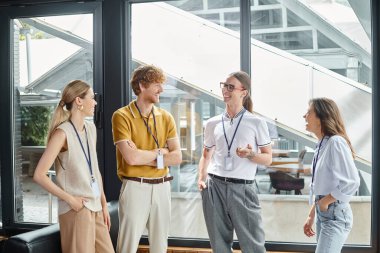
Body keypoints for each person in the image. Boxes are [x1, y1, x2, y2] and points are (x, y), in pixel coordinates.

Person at [33, 80, 114, 253]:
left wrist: (104, 204)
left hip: (96, 206)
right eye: (92, 98)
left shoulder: (90, 129)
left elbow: (95, 171)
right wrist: (71, 200)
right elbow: (39, 175)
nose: (95, 102)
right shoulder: (62, 133)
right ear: (79, 101)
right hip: (76, 209)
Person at [198, 71, 272, 253]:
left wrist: (250, 154)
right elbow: (206, 154)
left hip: (243, 189)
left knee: (253, 246)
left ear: (243, 92)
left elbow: (268, 158)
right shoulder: (212, 123)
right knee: (219, 245)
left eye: (231, 87)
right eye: (224, 85)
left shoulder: (256, 122)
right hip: (214, 186)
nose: (225, 89)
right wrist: (201, 178)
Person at [112, 65, 182, 253]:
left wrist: (149, 157)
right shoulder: (121, 116)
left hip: (163, 187)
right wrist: (162, 151)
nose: (162, 89)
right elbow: (132, 158)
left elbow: (176, 157)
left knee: (160, 246)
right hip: (135, 187)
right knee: (127, 246)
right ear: (142, 86)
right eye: (157, 84)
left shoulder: (166, 117)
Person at [303, 97, 360, 253]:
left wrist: (325, 202)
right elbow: (322, 184)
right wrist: (312, 214)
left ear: (322, 116)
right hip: (325, 213)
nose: (304, 116)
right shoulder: (322, 144)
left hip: (335, 214)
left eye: (309, 112)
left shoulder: (335, 142)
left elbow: (352, 182)